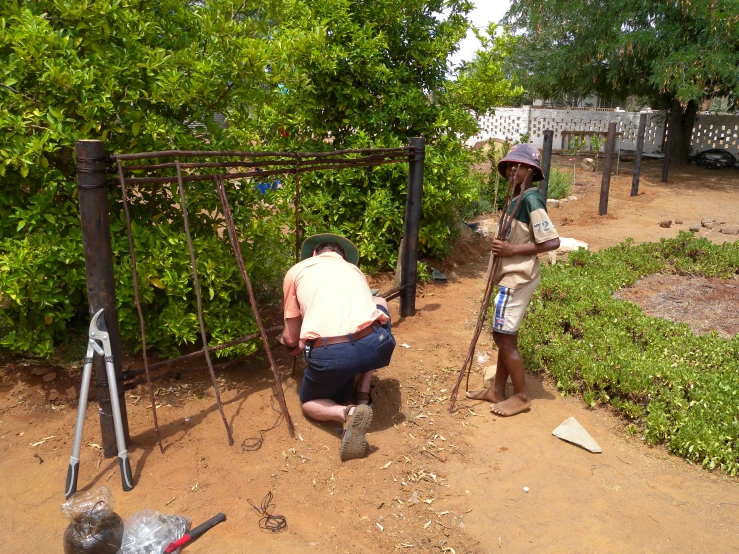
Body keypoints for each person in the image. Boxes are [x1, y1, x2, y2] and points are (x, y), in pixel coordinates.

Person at [278, 233, 396, 461]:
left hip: (333, 356)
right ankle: (362, 392)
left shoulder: (297, 271)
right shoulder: (354, 271)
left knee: (310, 403)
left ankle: (347, 412)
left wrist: (289, 342)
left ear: (314, 253)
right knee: (380, 302)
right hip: (376, 346)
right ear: (343, 257)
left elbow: (292, 339)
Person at [467, 144, 560, 416]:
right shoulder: (516, 197)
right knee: (503, 335)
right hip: (509, 274)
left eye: (518, 166)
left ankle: (521, 396)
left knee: (503, 336)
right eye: (509, 166)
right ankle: (497, 390)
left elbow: (552, 241)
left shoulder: (531, 200)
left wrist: (511, 250)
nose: (511, 171)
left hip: (518, 276)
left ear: (531, 171)